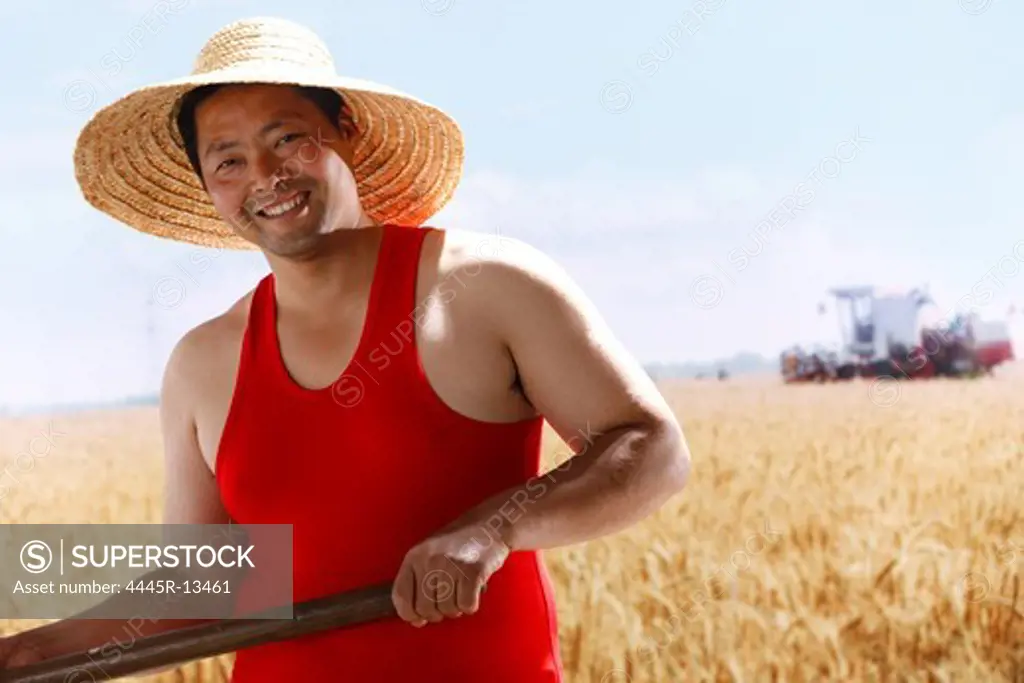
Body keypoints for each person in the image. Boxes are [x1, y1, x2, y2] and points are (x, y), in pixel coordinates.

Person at [0, 16, 691, 682]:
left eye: (289, 139)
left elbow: (652, 447)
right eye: (229, 160)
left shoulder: (484, 286)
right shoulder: (203, 362)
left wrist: (495, 527)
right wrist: (31, 652)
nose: (266, 175)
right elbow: (201, 583)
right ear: (208, 186)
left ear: (346, 135)